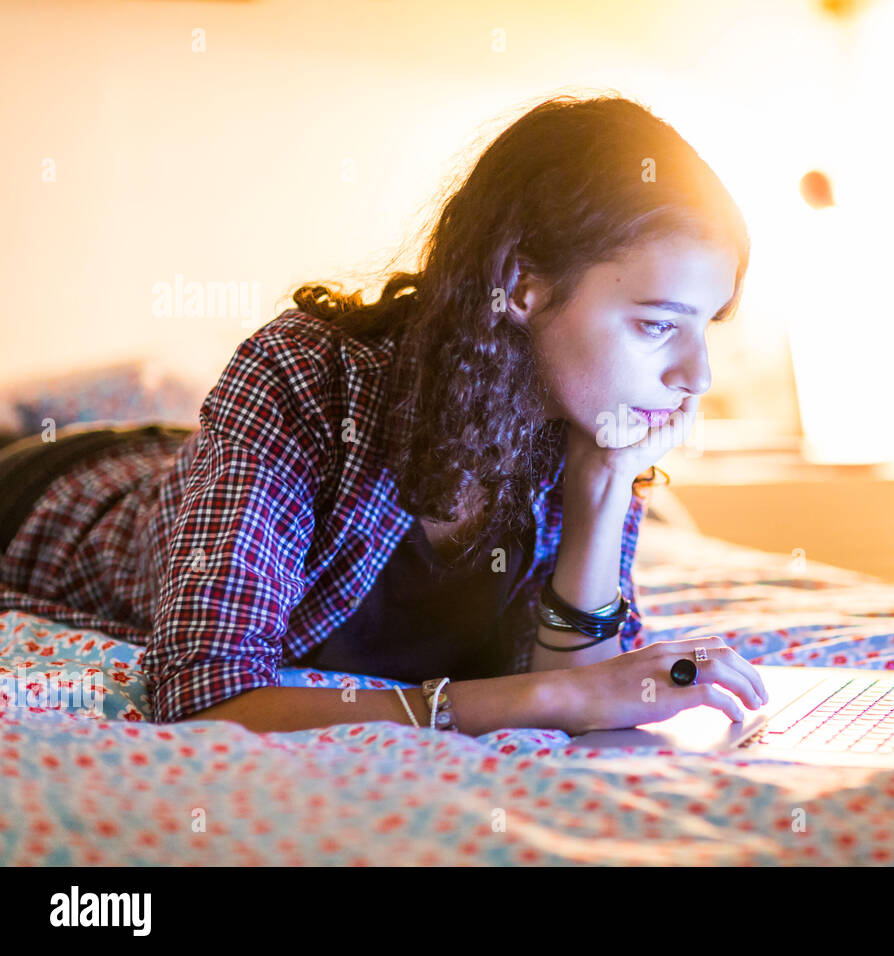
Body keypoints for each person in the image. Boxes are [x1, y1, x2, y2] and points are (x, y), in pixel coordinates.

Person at [0, 93, 769, 735]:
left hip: (178, 454)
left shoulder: (591, 420)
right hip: (51, 491)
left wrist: (603, 483)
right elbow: (204, 693)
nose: (695, 377)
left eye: (706, 329)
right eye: (658, 325)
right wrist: (522, 698)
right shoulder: (307, 377)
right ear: (523, 280)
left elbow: (587, 692)